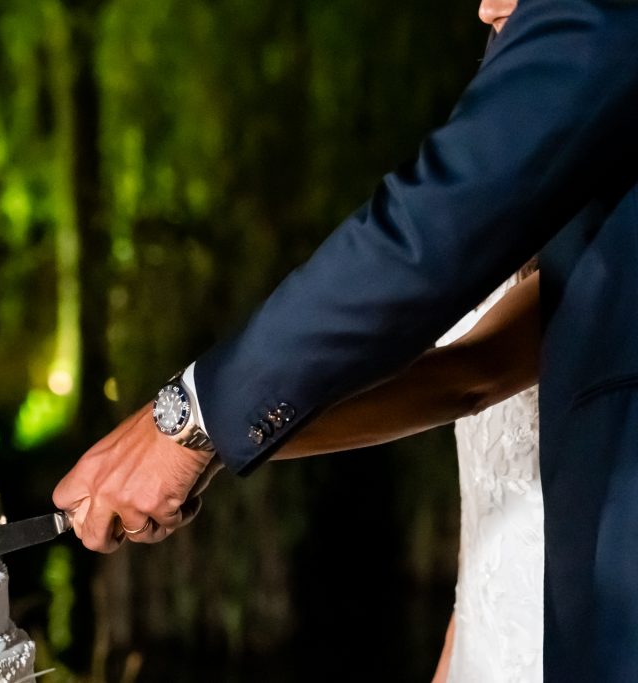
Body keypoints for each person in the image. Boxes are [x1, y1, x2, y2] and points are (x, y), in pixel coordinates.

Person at [54, 0, 638, 680]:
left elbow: (425, 238)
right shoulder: (586, 193)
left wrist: (187, 423)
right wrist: (217, 446)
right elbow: (468, 375)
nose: (484, 8)